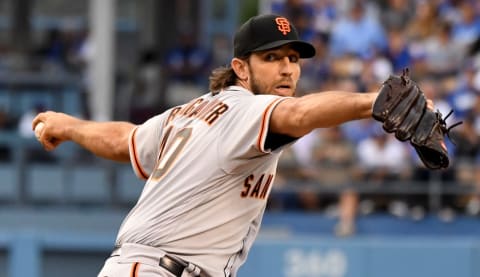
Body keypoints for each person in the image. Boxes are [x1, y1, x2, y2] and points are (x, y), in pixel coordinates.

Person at [32, 14, 430, 277]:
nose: (288, 68)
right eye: (272, 58)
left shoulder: (186, 113)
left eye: (293, 58)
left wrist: (70, 126)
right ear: (240, 68)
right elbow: (298, 114)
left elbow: (125, 140)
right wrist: (369, 102)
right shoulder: (247, 110)